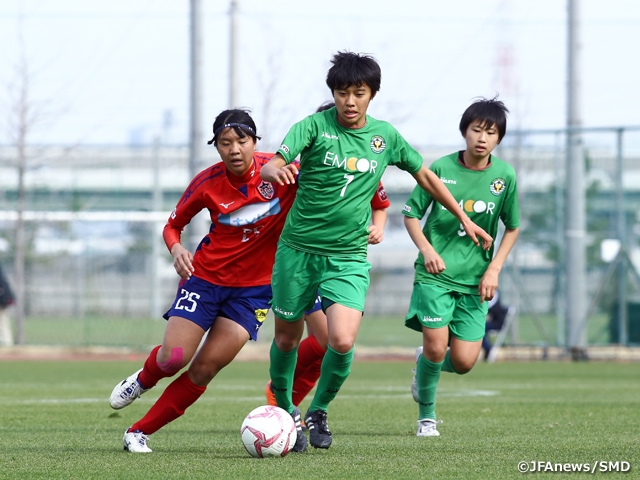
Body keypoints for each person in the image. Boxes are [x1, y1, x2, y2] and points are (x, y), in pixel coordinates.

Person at [260, 51, 492, 450]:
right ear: (332, 93)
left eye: (359, 93)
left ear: (372, 94)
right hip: (297, 252)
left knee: (344, 340)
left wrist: (464, 218)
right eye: (342, 92)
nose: (349, 101)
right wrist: (275, 169)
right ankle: (284, 410)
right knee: (285, 340)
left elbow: (428, 178)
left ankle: (319, 410)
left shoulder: (386, 137)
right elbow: (272, 164)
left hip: (347, 257)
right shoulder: (313, 127)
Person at [108, 108, 300, 453]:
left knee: (204, 370)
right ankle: (142, 379)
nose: (235, 149)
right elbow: (171, 225)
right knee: (173, 358)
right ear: (217, 147)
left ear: (255, 142)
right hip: (205, 280)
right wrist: (177, 248)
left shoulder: (283, 172)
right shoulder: (207, 182)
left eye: (242, 141)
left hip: (254, 293)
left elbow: (328, 186)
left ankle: (137, 432)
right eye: (225, 143)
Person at [264, 101, 391, 411]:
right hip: (298, 259)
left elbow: (380, 203)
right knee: (292, 339)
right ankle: (282, 396)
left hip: (337, 261)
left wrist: (378, 226)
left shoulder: (359, 165)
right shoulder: (296, 167)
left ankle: (305, 406)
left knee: (331, 341)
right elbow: (266, 185)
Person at [404, 97, 520, 437]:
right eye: (476, 130)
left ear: (499, 138)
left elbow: (512, 226)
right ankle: (427, 418)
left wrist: (494, 269)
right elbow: (410, 215)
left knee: (465, 362)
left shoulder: (504, 176)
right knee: (438, 347)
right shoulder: (440, 169)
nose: (482, 138)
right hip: (436, 276)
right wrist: (426, 249)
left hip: (475, 282)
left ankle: (423, 360)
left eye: (491, 132)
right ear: (464, 132)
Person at [482, 290, 510, 359]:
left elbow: (489, 307)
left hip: (498, 324)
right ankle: (487, 348)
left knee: (481, 328)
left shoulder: (494, 295)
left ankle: (487, 348)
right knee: (481, 328)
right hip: (493, 322)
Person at [0, 265, 15, 347]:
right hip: (3, 299)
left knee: (3, 323)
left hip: (2, 301)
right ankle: (7, 344)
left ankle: (7, 346)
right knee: (3, 323)